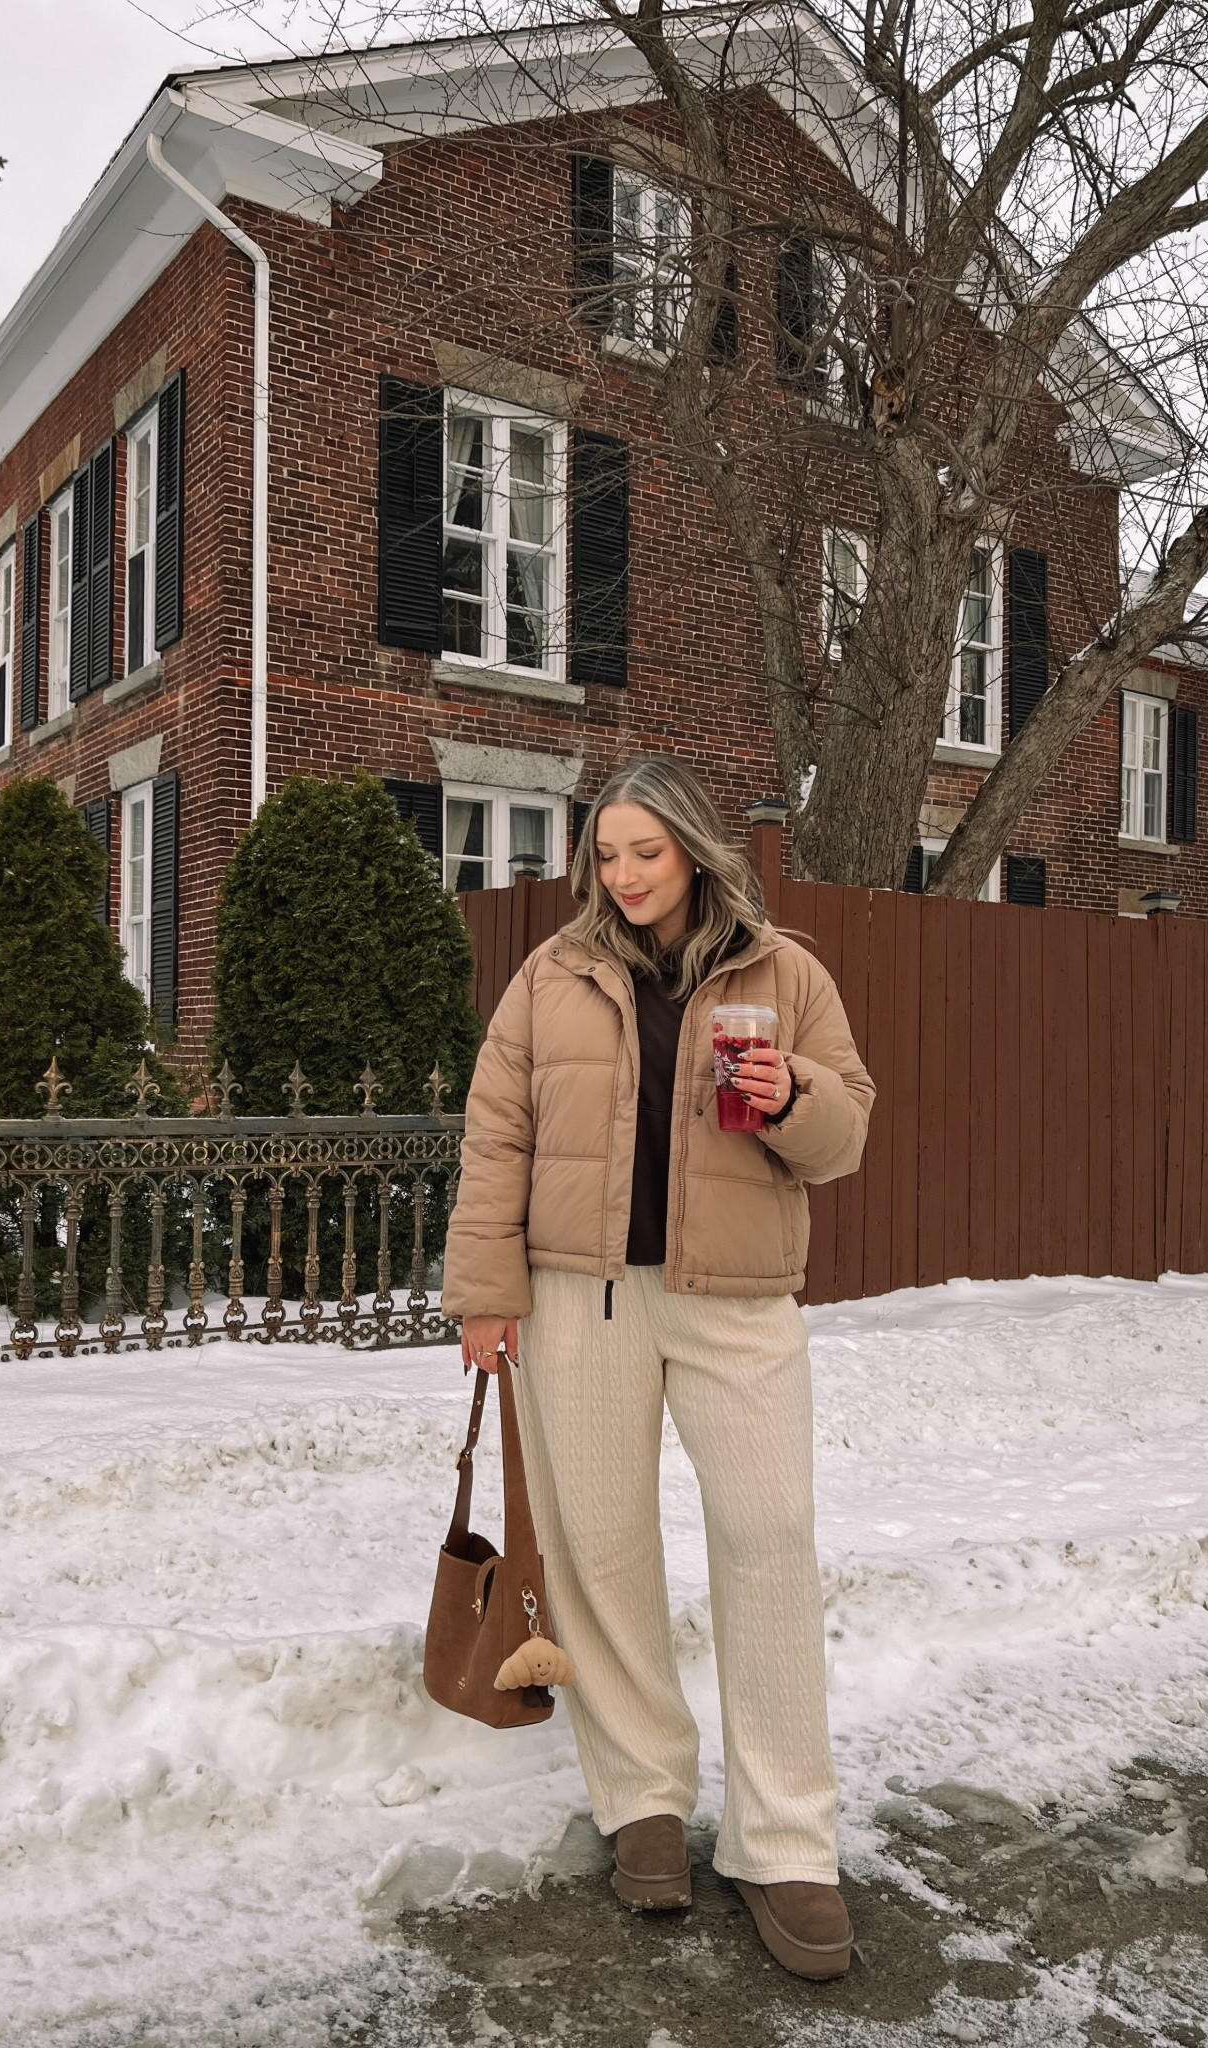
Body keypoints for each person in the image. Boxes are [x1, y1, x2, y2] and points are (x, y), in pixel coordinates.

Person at [441, 755, 875, 1981]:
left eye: (646, 850)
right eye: (607, 853)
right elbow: (496, 1132)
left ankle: (785, 1840)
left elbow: (845, 1133)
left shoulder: (784, 972)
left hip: (738, 1299)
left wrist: (792, 1093)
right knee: (602, 1548)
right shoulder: (552, 974)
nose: (624, 874)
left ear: (692, 847)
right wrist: (485, 1288)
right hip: (583, 1297)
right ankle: (641, 1793)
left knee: (770, 1537)